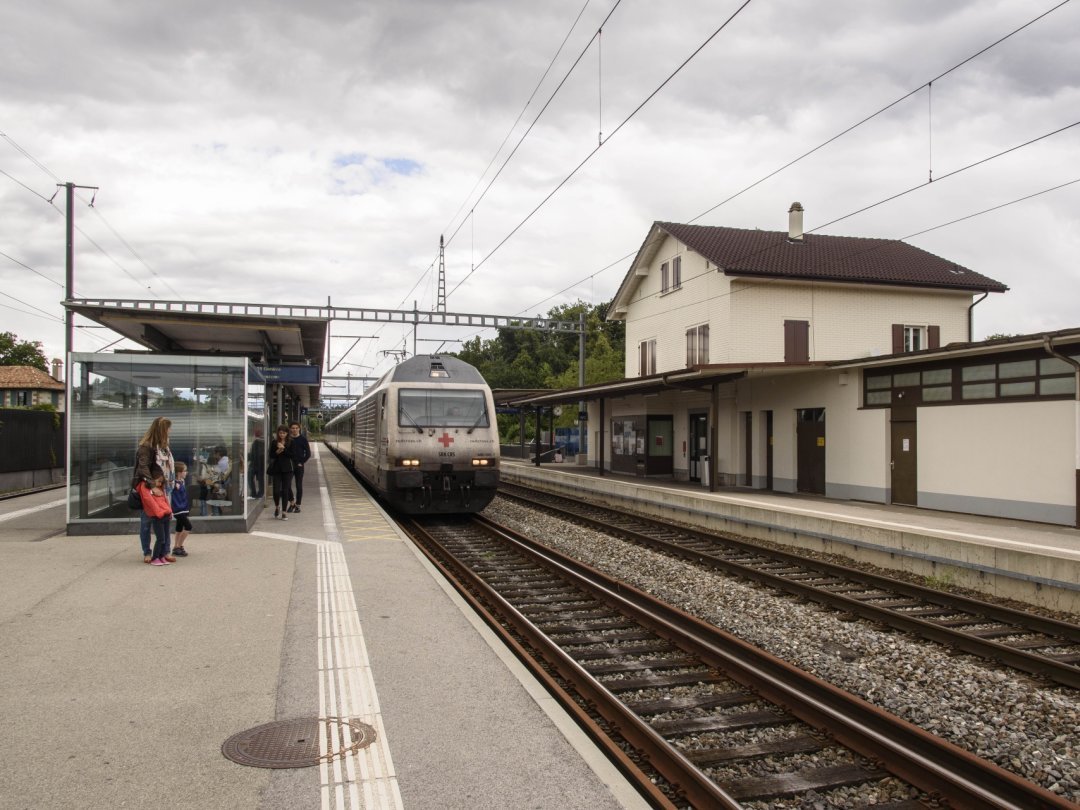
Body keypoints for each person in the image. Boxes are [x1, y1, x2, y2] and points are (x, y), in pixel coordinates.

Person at [133, 416, 175, 564]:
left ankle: (165, 551)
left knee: (165, 518)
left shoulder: (163, 446)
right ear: (162, 430)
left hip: (162, 487)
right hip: (150, 489)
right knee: (147, 521)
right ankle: (147, 551)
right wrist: (152, 484)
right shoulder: (147, 446)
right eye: (168, 429)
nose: (170, 431)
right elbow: (142, 467)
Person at [137, 466, 174, 566]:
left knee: (164, 535)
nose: (160, 484)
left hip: (163, 513)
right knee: (147, 529)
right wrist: (160, 512)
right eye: (159, 481)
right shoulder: (145, 485)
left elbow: (164, 499)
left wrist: (168, 511)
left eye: (161, 482)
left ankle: (164, 553)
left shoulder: (160, 486)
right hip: (155, 513)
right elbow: (149, 500)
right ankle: (149, 553)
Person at [266, 425, 294, 520]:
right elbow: (271, 455)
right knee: (276, 490)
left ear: (287, 433)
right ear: (278, 433)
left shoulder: (291, 442)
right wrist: (278, 451)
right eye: (280, 433)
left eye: (284, 433)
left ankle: (284, 512)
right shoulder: (274, 442)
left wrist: (284, 449)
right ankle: (277, 506)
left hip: (288, 469)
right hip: (277, 469)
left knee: (285, 490)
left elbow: (292, 455)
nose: (282, 435)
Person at [286, 421, 311, 513]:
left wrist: (302, 462)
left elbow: (308, 453)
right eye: (293, 428)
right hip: (289, 465)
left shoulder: (303, 439)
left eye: (296, 428)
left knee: (298, 485)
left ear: (299, 429)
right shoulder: (287, 439)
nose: (294, 430)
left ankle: (298, 505)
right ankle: (292, 502)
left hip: (299, 466)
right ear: (290, 429)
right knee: (287, 484)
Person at [171, 461, 192, 556]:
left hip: (183, 507)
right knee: (188, 526)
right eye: (185, 471)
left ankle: (176, 546)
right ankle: (178, 546)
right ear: (179, 472)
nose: (186, 472)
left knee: (179, 527)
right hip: (178, 509)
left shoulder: (182, 481)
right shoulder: (174, 483)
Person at [248, 427, 265, 500]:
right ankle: (260, 493)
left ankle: (253, 493)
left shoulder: (256, 442)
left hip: (254, 464)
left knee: (250, 478)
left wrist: (248, 456)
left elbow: (253, 454)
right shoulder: (264, 441)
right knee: (260, 479)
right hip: (261, 464)